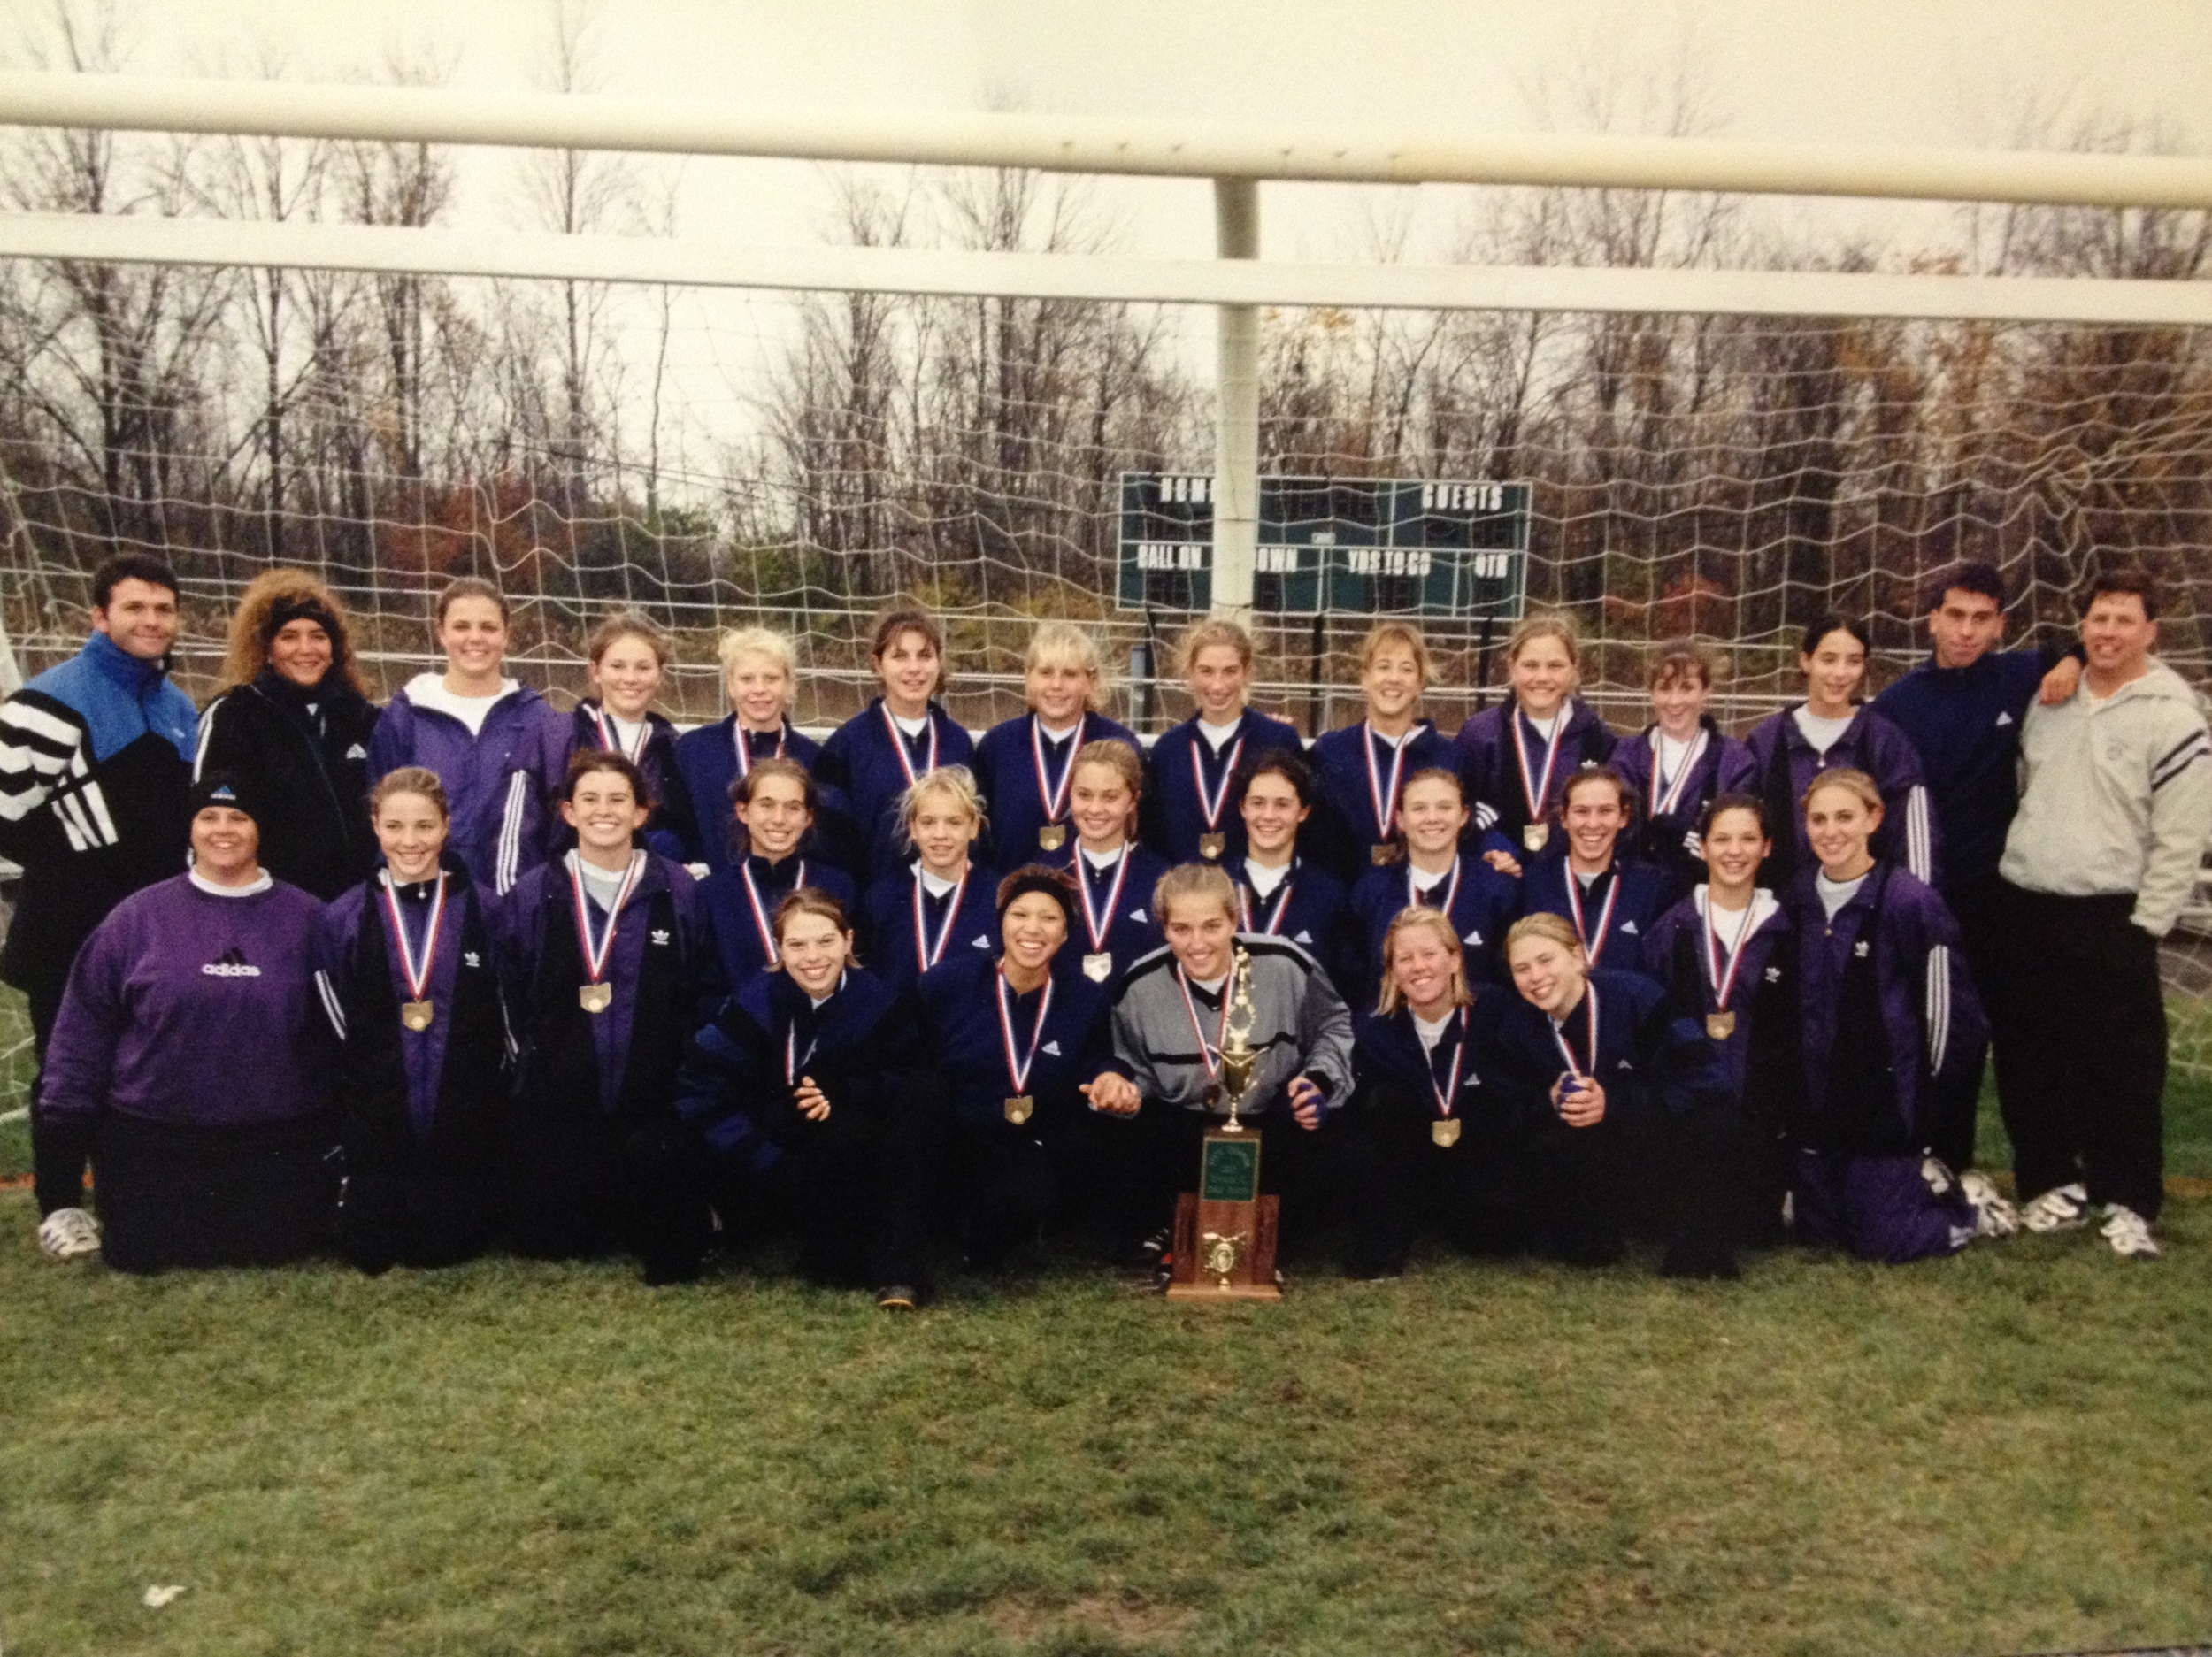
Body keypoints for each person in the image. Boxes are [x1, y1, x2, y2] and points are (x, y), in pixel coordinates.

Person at [1993, 566, 2212, 1260]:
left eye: (2124, 619)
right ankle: (2050, 1183)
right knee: (2032, 1057)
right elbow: (2029, 786)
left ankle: (2129, 1199)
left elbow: (2182, 834)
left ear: (2151, 629)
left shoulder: (2173, 715)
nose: (2109, 631)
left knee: (2121, 1065)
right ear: (2082, 625)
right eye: (2098, 618)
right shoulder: (2051, 697)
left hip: (2112, 914)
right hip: (2028, 901)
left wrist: (2147, 922)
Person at [35, 773, 335, 1271]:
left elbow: (341, 1036)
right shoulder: (137, 918)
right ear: (190, 827)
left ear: (261, 830)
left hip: (274, 1135)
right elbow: (80, 1037)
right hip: (157, 1134)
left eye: (238, 817)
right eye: (208, 817)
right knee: (144, 1252)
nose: (223, 830)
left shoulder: (310, 919)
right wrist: (61, 1189)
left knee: (282, 1247)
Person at [3, 554, 199, 1259]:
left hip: (153, 930)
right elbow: (8, 816)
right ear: (99, 616)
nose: (151, 621)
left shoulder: (179, 708)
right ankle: (59, 1202)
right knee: (67, 1064)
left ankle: (129, 1186)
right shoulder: (43, 702)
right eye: (135, 608)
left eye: (163, 609)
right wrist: (76, 876)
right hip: (66, 931)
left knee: (140, 1060)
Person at [1870, 563, 2079, 1179]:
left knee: (2023, 1033)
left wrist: (2068, 659)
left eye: (1981, 618)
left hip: (2005, 894)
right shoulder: (1898, 703)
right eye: (1955, 615)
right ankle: (1944, 1157)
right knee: (1942, 1029)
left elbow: (2087, 646)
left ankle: (2047, 1174)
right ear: (1932, 618)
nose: (1966, 630)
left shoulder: (2020, 675)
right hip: (1931, 894)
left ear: (2000, 625)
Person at [1086, 863, 1375, 1276]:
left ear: (1234, 921)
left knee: (1349, 1160)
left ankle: (1268, 1229)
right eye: (1181, 929)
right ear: (1164, 929)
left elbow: (1334, 1024)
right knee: (1105, 1146)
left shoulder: (1285, 963)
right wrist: (1121, 1086)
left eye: (1212, 926)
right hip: (1186, 1126)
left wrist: (1318, 1080)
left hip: (1268, 1121)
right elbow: (1134, 1065)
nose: (1198, 943)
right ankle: (1169, 1223)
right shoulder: (1140, 985)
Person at [493, 750, 708, 1282]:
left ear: (641, 813)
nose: (603, 811)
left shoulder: (676, 887)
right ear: (568, 812)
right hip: (562, 1103)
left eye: (619, 799)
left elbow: (693, 983)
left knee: (661, 1237)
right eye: (589, 799)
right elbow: (511, 990)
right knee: (554, 1244)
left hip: (649, 1100)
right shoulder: (533, 892)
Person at [672, 888, 933, 1306]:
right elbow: (700, 1089)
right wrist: (764, 1157)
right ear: (779, 948)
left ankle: (883, 1254)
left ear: (848, 941)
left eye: (826, 941)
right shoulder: (754, 1003)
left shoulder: (879, 1002)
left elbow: (910, 1075)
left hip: (846, 1153)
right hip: (770, 1153)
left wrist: (848, 1090)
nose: (813, 957)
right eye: (797, 944)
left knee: (837, 1267)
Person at [1782, 769, 2000, 1263]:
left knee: (1882, 1242)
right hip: (1817, 1107)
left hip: (1881, 1109)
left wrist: (1923, 1103)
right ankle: (1897, 1188)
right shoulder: (1798, 898)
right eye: (1818, 819)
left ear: (1874, 819)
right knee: (1818, 1234)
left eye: (1845, 817)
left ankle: (1968, 1209)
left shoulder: (1908, 901)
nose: (1831, 831)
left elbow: (1953, 1017)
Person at [318, 768, 509, 1273]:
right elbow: (335, 1021)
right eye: (395, 826)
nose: (410, 841)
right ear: (375, 826)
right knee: (368, 1248)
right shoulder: (344, 916)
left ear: (446, 826)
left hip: (460, 1116)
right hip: (380, 1117)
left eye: (425, 827)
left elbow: (506, 1015)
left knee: (447, 1247)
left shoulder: (486, 909)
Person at [1483, 913, 1731, 1270]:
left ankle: (1694, 1246)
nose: (1535, 977)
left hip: (1649, 1145)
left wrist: (1615, 1101)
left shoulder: (1638, 998)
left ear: (1578, 957)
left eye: (1545, 960)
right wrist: (1546, 1101)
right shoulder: (1518, 1027)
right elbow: (1500, 1103)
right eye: (1521, 969)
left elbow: (1708, 1078)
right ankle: (1587, 1234)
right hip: (1591, 1161)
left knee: (1717, 1125)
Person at [910, 866, 1124, 1272]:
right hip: (956, 1132)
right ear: (1001, 923)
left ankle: (975, 1243)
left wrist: (1108, 1074)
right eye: (1020, 914)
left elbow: (1097, 1055)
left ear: (1065, 933)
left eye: (1049, 918)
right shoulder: (948, 985)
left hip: (1022, 1138)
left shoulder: (1083, 997)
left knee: (1029, 1195)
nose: (1034, 928)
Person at [1641, 794, 1798, 1268]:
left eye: (1748, 839)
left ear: (1767, 848)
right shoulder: (1672, 928)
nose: (1735, 851)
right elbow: (1652, 1028)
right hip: (1687, 1115)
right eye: (1722, 839)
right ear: (1703, 848)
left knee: (1758, 1232)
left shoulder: (1788, 929)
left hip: (1759, 1112)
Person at [366, 578, 572, 897]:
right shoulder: (405, 715)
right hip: (427, 899)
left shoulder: (538, 718)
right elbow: (381, 813)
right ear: (441, 633)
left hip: (513, 902)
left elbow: (556, 820)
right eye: (461, 626)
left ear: (507, 635)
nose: (475, 638)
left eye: (488, 627)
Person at [195, 567, 381, 901]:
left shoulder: (363, 717)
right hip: (273, 909)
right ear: (266, 648)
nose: (306, 648)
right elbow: (205, 824)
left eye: (318, 636)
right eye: (289, 636)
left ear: (335, 647)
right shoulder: (233, 716)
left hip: (356, 906)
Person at [1347, 908, 1512, 1274]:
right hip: (1409, 1161)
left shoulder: (1494, 1009)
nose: (1418, 966)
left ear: (1454, 959)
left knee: (1494, 1241)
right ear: (1392, 972)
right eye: (1404, 958)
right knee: (1386, 1104)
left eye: (1429, 954)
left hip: (1472, 1155)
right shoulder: (1372, 1031)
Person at [1743, 617, 1934, 890]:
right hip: (1782, 907)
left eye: (1853, 661)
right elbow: (1743, 828)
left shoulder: (1886, 741)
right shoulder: (1766, 740)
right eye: (1829, 659)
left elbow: (1912, 839)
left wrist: (1909, 905)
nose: (1840, 673)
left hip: (1860, 911)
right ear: (1805, 661)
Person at [816, 605, 974, 883]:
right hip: (872, 912)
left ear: (939, 662)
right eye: (900, 656)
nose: (914, 668)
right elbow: (829, 847)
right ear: (878, 664)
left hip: (950, 907)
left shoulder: (959, 743)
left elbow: (977, 838)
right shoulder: (846, 745)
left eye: (924, 656)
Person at [971, 621, 1138, 865]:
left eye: (1070, 674)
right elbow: (979, 835)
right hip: (1014, 895)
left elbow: (1137, 831)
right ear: (1029, 678)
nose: (1056, 685)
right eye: (1046, 672)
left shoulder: (1119, 743)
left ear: (1090, 681)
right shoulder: (998, 745)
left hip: (1094, 896)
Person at [1141, 618, 1304, 867]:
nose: (1218, 685)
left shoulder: (1279, 740)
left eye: (1230, 671)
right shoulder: (1168, 748)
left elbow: (1301, 825)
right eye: (1206, 671)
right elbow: (1155, 835)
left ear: (1247, 672)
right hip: (1186, 895)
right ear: (1190, 673)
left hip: (1253, 895)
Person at [1607, 641, 1757, 910]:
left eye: (1687, 688)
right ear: (1651, 693)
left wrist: (1687, 835)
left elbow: (1737, 836)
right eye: (1665, 688)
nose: (1675, 701)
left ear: (1706, 692)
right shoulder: (1625, 755)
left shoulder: (1734, 759)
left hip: (1704, 901)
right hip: (1631, 898)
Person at [1349, 767, 1517, 1003]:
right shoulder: (1371, 891)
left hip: (1474, 1036)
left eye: (1444, 807)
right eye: (1419, 808)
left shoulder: (1496, 889)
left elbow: (1508, 980)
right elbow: (1359, 981)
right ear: (1400, 820)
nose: (1432, 818)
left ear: (1463, 816)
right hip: (1393, 1032)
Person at [1452, 612, 1616, 855]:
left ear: (1574, 669)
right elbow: (1457, 806)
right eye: (1530, 665)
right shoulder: (1480, 733)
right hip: (1501, 874)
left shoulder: (1596, 736)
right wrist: (1490, 846)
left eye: (1555, 666)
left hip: (1567, 878)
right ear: (1512, 666)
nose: (1542, 677)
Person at [1308, 621, 1458, 884]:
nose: (1394, 678)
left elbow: (1473, 826)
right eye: (1384, 666)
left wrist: (1499, 850)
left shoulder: (1449, 757)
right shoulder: (1330, 751)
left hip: (1419, 906)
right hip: (1344, 900)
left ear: (1421, 682)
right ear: (1364, 678)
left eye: (1407, 669)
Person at [699, 757, 856, 1003]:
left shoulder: (837, 886)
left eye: (793, 807)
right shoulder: (711, 893)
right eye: (766, 805)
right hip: (739, 1035)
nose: (779, 819)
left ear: (808, 817)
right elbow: (704, 987)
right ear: (743, 811)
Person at [673, 626, 822, 875]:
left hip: (792, 897)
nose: (759, 689)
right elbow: (678, 830)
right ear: (730, 685)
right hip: (717, 897)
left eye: (771, 678)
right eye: (747, 679)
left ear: (789, 685)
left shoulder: (814, 758)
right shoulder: (693, 749)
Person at [569, 610, 698, 865]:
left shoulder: (675, 749)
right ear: (595, 671)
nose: (630, 678)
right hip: (576, 884)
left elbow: (687, 835)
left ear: (660, 675)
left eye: (643, 667)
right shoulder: (563, 735)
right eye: (617, 666)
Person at [1515, 768, 1667, 983]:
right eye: (1582, 811)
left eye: (1605, 811)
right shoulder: (1531, 884)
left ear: (1623, 817)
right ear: (1564, 818)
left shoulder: (1650, 888)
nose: (1593, 824)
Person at [858, 766, 1001, 992]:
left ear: (974, 827)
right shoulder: (882, 899)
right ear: (912, 828)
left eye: (954, 822)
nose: (940, 834)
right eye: (928, 822)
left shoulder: (998, 897)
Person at [1227, 748, 1355, 993]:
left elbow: (1340, 991)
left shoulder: (1329, 897)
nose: (1268, 815)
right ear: (1243, 808)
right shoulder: (1214, 885)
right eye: (1258, 803)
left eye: (1282, 805)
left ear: (1303, 812)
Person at [1053, 739, 1169, 987]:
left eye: (1110, 797)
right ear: (1070, 794)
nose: (1095, 809)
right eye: (1084, 795)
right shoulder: (1045, 875)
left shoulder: (1161, 879)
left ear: (1132, 800)